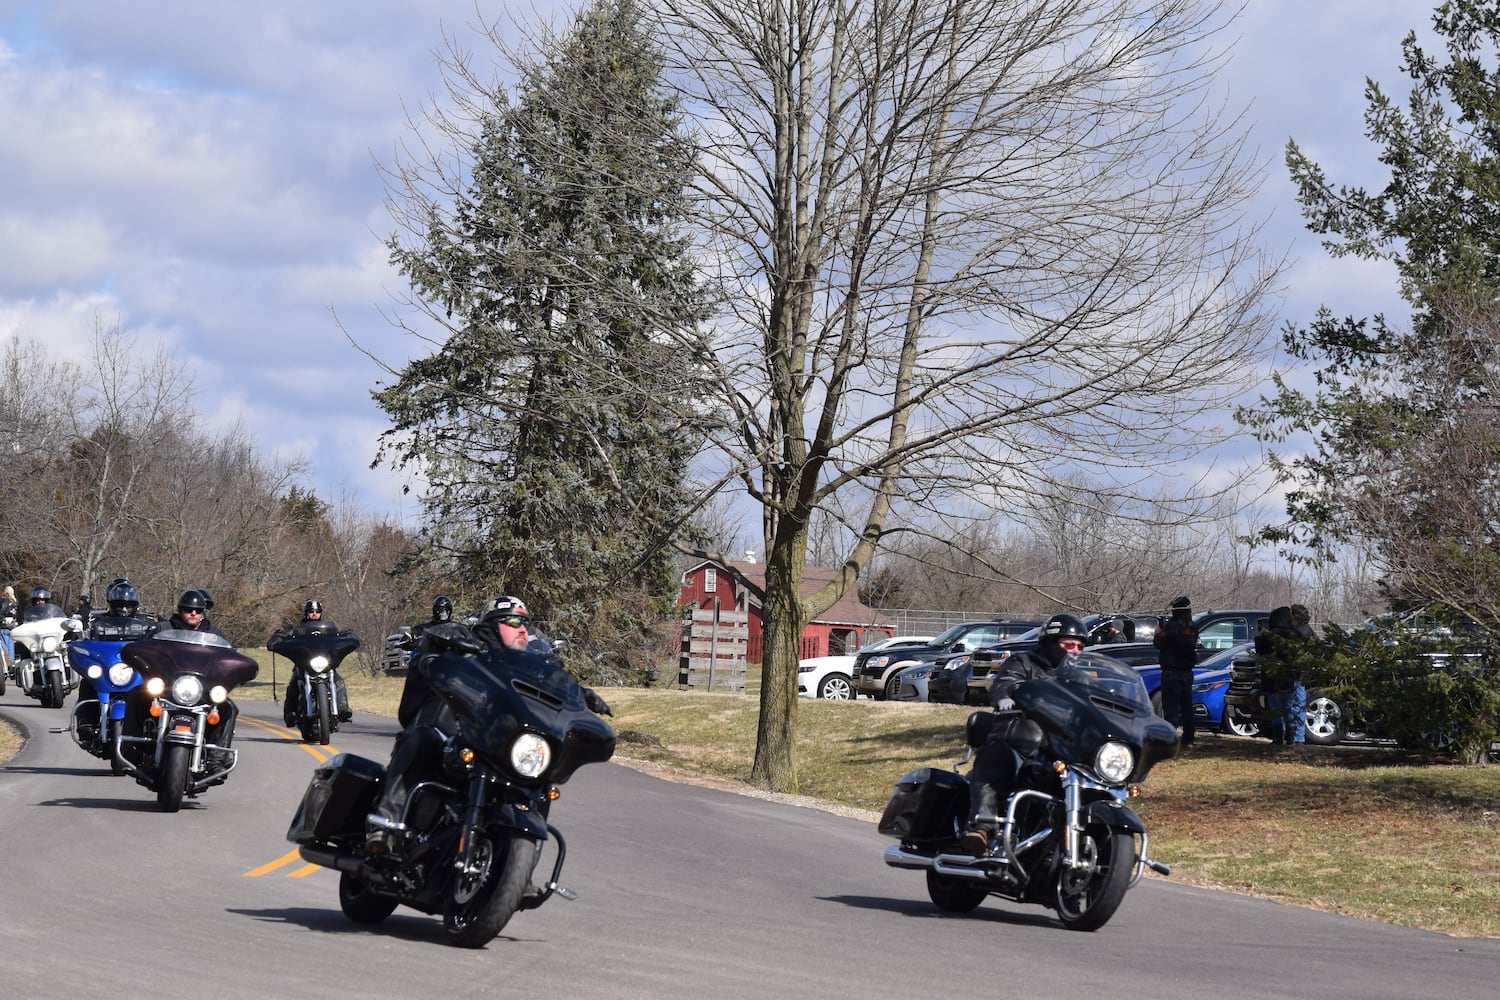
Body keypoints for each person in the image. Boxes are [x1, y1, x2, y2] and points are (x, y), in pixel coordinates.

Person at [369, 594, 609, 855]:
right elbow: (442, 646)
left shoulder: (531, 667)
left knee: (540, 783)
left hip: (502, 747)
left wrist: (580, 694)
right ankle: (385, 824)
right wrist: (446, 634)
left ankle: (518, 867)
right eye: (514, 622)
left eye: (525, 624)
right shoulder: (471, 649)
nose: (522, 630)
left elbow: (555, 683)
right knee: (422, 739)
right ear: (492, 624)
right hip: (463, 737)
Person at [960, 612, 1088, 855]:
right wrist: (1007, 698)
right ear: (1051, 643)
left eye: (1080, 646)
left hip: (1061, 748)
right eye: (1068, 644)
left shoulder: (1080, 678)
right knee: (996, 756)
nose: (1075, 651)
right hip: (1019, 737)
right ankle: (982, 828)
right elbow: (1005, 682)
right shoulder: (1024, 662)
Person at [75, 579, 158, 717]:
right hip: (107, 664)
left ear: (135, 606)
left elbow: (157, 640)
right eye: (120, 605)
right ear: (112, 604)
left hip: (135, 667)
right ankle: (85, 722)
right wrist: (77, 636)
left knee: (153, 688)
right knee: (87, 683)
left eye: (129, 606)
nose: (124, 609)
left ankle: (150, 723)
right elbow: (85, 637)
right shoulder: (96, 621)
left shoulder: (147, 623)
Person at [279, 598, 352, 726]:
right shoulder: (299, 629)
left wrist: (345, 634)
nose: (314, 614)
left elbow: (336, 636)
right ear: (306, 613)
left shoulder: (328, 629)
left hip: (324, 663)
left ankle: (342, 709)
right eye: (311, 611)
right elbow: (289, 636)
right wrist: (283, 635)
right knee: (294, 683)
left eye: (317, 611)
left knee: (338, 680)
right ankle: (290, 713)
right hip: (304, 664)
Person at [1153, 596, 1200, 748]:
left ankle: (1170, 739)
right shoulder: (1192, 626)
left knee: (1171, 707)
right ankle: (1189, 738)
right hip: (1187, 671)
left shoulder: (1173, 627)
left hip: (1172, 671)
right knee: (1187, 706)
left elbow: (1159, 643)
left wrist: (1158, 632)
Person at [1258, 605, 1307, 747]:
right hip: (1289, 676)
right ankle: (1291, 738)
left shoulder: (1269, 635)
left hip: (1270, 676)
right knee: (1288, 707)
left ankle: (1278, 737)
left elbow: (1260, 653)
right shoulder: (1295, 635)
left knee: (1274, 707)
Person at [0, 585, 17, 669]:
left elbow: (1, 613)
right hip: (12, 626)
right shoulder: (15, 602)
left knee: (4, 646)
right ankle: (12, 664)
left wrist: (2, 619)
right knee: (11, 646)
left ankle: (7, 664)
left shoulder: (4, 602)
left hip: (4, 626)